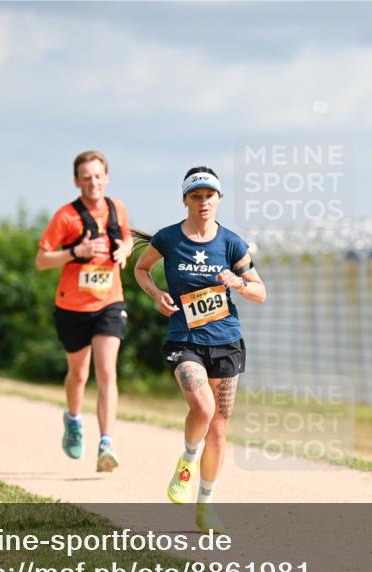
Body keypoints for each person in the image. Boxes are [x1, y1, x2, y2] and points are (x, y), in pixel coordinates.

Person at [134, 166, 266, 532]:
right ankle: (187, 460)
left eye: (209, 196)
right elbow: (141, 270)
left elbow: (260, 292)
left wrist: (237, 282)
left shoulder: (232, 244)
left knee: (220, 429)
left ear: (219, 200)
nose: (203, 202)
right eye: (196, 196)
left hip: (226, 340)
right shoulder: (169, 239)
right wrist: (157, 294)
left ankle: (205, 505)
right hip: (184, 339)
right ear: (185, 201)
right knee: (203, 406)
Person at [36, 150, 134, 472]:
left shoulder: (117, 209)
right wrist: (75, 252)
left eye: (98, 175)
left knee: (106, 371)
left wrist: (125, 249)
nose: (93, 182)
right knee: (78, 374)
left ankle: (107, 442)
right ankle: (74, 419)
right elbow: (41, 260)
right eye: (86, 177)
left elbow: (129, 239)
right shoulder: (66, 216)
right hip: (72, 306)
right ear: (77, 181)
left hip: (109, 301)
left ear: (106, 177)